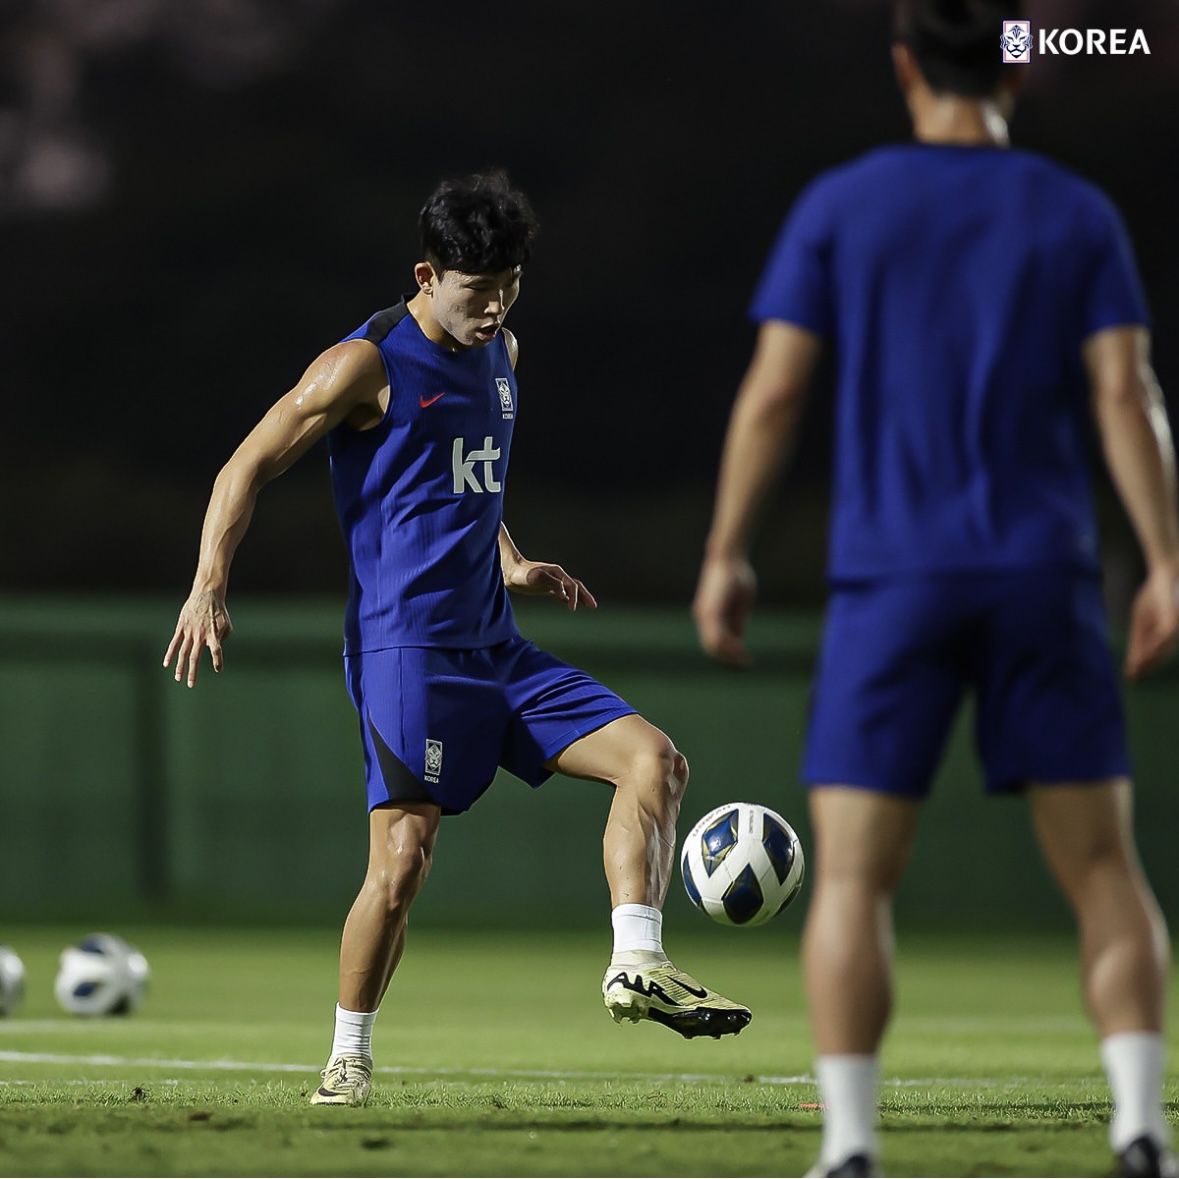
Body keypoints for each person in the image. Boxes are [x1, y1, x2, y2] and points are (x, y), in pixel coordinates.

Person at [692, 3, 1177, 1176]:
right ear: (1015, 69)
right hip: (1041, 573)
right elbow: (1126, 396)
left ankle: (852, 1148)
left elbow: (771, 397)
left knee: (854, 876)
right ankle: (1142, 1131)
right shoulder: (1075, 211)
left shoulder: (843, 203)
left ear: (905, 65)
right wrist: (1167, 558)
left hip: (891, 580)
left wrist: (728, 551)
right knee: (1106, 871)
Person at [164, 170, 751, 1107]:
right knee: (401, 863)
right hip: (408, 651)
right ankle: (347, 1056)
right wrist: (207, 586)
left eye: (509, 290)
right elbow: (245, 465)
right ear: (426, 273)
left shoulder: (503, 350)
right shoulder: (364, 364)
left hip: (498, 644)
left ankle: (636, 960)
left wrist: (510, 558)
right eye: (477, 294)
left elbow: (467, 477)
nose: (494, 311)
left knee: (656, 760)